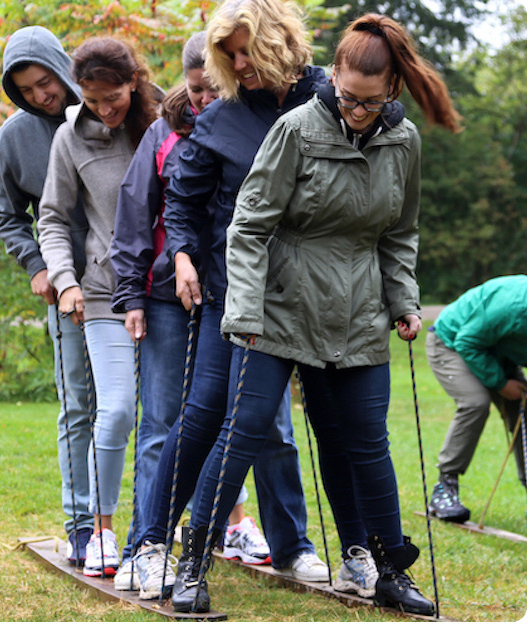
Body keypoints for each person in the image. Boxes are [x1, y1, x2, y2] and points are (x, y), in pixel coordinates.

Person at [182, 12, 464, 616]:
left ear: (390, 91)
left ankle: (390, 569)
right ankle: (192, 563)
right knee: (244, 432)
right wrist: (246, 311)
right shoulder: (296, 130)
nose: (354, 112)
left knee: (368, 444)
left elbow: (400, 232)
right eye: (345, 98)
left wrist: (403, 300)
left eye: (369, 103)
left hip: (358, 309)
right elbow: (249, 227)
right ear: (332, 75)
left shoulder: (403, 142)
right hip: (279, 307)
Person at [131, 0, 345, 607]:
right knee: (203, 414)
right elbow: (184, 198)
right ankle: (150, 545)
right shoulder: (223, 116)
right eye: (229, 56)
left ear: (280, 39)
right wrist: (182, 255)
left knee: (298, 428)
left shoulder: (331, 97)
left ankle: (319, 548)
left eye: (247, 50)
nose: (239, 64)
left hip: (317, 295)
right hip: (236, 290)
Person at [110, 31, 271, 592]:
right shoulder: (169, 131)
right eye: (198, 88)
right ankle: (145, 544)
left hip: (237, 285)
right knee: (172, 418)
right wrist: (134, 291)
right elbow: (142, 216)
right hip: (177, 289)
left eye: (212, 89)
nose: (203, 99)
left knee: (256, 424)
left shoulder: (260, 114)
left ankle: (272, 536)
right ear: (188, 80)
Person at [38, 36, 159, 577]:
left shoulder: (167, 122)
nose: (105, 109)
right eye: (93, 100)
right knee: (114, 412)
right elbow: (53, 218)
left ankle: (193, 526)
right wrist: (65, 281)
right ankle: (101, 532)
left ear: (133, 80)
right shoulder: (71, 138)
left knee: (178, 418)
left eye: (113, 97)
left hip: (169, 296)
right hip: (105, 296)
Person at [0, 25, 93, 567]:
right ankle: (81, 526)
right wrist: (36, 263)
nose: (40, 95)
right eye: (27, 89)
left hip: (129, 283)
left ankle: (160, 523)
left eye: (44, 81)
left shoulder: (107, 106)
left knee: (158, 406)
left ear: (61, 64)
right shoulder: (13, 136)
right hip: (64, 286)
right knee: (78, 406)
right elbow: (6, 213)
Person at [426, 274, 527, 523]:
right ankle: (444, 488)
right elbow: (467, 341)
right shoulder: (514, 306)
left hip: (496, 352)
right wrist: (501, 383)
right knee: (475, 403)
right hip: (451, 343)